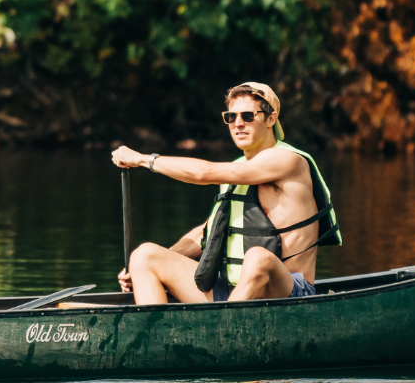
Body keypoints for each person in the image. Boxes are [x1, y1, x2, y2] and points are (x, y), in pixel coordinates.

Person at [108, 81, 341, 304]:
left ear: (271, 119)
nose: (238, 123)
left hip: (289, 292)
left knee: (258, 257)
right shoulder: (239, 167)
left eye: (248, 116)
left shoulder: (287, 161)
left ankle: (220, 328)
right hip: (232, 290)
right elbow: (206, 234)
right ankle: (154, 339)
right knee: (145, 256)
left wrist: (142, 159)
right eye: (231, 117)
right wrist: (165, 258)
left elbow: (204, 173)